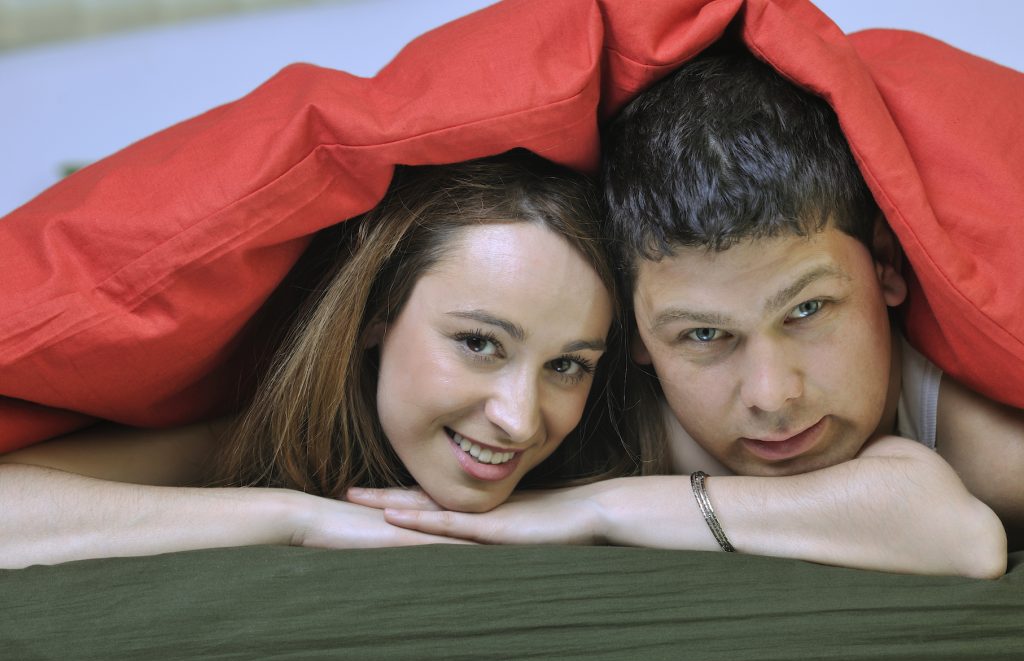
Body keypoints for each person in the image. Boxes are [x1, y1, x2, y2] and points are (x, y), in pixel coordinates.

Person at [367, 49, 1023, 578]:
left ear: (884, 263)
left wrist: (597, 510)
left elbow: (959, 534)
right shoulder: (592, 410)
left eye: (807, 309)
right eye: (705, 334)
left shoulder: (987, 437)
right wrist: (311, 522)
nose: (772, 396)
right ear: (635, 333)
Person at [0, 150, 643, 569]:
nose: (521, 421)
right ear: (375, 324)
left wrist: (596, 508)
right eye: (479, 344)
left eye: (567, 365)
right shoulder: (268, 433)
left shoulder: (625, 433)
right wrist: (298, 518)